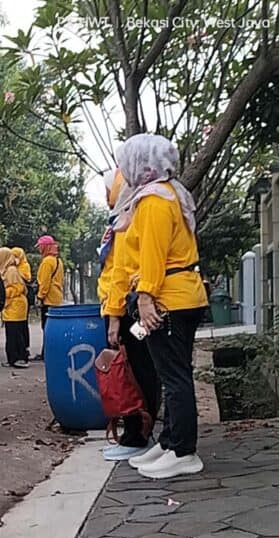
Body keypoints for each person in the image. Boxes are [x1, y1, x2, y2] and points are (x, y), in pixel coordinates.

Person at [106, 134, 208, 479]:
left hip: (167, 300)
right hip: (179, 296)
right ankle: (169, 442)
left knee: (174, 377)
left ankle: (183, 451)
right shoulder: (168, 195)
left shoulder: (153, 202)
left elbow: (152, 255)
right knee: (172, 373)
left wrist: (146, 297)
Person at [98, 167, 161, 461]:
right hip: (125, 310)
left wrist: (113, 317)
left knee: (134, 371)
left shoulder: (127, 220)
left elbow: (120, 273)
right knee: (136, 367)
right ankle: (136, 433)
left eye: (109, 188)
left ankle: (138, 434)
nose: (105, 194)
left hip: (128, 313)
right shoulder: (120, 220)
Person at [0, 248, 29, 368]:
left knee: (15, 333)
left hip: (16, 306)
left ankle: (19, 358)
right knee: (12, 333)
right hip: (12, 306)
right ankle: (13, 359)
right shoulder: (6, 270)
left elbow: (18, 287)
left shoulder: (11, 271)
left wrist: (3, 293)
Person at [33, 235, 64, 360]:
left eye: (40, 246)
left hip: (48, 299)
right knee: (51, 328)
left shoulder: (47, 262)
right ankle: (48, 352)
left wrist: (40, 297)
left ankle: (47, 354)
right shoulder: (58, 261)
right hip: (56, 298)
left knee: (46, 328)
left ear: (46, 247)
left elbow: (44, 283)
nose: (39, 249)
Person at [12, 247, 33, 363]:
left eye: (16, 256)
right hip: (19, 300)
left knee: (22, 325)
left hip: (22, 298)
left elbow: (27, 277)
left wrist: (17, 273)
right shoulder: (12, 267)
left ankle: (25, 347)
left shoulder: (24, 266)